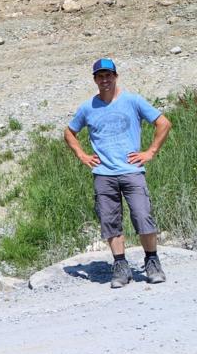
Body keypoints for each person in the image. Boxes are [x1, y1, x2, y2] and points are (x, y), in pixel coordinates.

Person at [65, 58, 171, 288]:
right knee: (110, 221)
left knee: (143, 215)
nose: (105, 80)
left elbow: (163, 123)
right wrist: (82, 156)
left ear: (115, 76)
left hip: (132, 170)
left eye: (108, 75)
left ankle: (152, 261)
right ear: (95, 79)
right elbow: (69, 133)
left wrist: (150, 151)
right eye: (100, 76)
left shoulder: (132, 100)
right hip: (103, 174)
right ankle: (120, 266)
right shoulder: (87, 107)